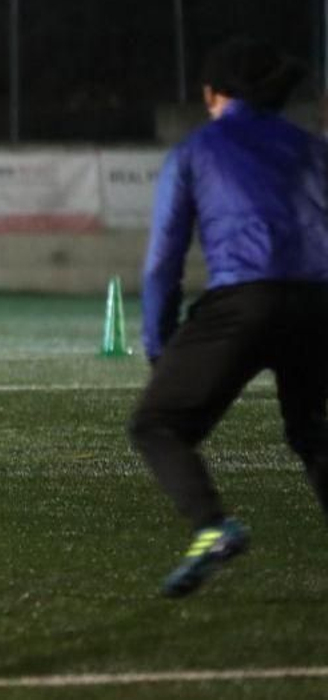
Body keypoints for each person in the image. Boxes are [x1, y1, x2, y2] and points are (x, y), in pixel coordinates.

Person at [128, 37, 328, 598]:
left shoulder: (198, 149)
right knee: (312, 432)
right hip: (317, 302)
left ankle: (212, 526)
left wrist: (158, 345)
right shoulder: (313, 148)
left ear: (213, 94)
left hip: (245, 299)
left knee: (157, 424)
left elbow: (164, 260)